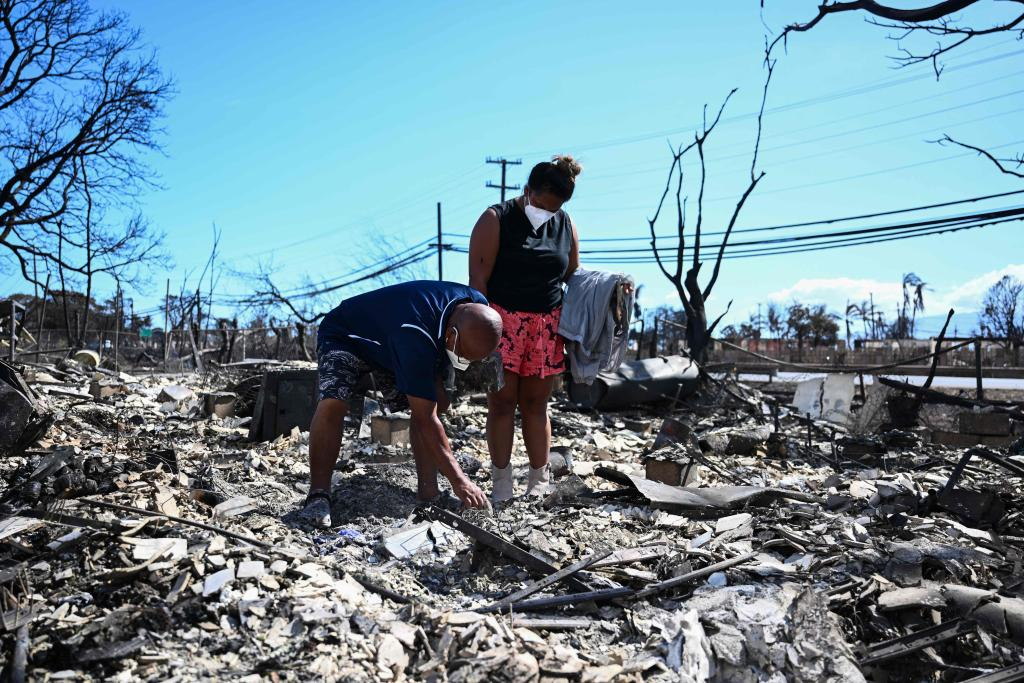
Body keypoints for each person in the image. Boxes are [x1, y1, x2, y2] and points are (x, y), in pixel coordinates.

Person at [299, 280, 503, 527]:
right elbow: (426, 418)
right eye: (462, 356)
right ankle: (318, 495)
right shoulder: (414, 335)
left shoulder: (477, 306)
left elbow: (432, 406)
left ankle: (429, 493)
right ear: (452, 335)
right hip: (346, 334)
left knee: (436, 403)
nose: (464, 363)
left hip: (394, 336)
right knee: (334, 400)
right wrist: (461, 481)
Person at [468, 155, 582, 501]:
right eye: (542, 205)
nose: (547, 213)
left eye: (554, 209)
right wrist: (482, 335)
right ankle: (502, 483)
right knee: (502, 403)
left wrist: (614, 287)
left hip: (546, 326)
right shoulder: (495, 219)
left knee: (536, 404)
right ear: (527, 190)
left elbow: (574, 277)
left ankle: (538, 480)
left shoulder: (566, 225)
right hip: (502, 322)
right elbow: (478, 281)